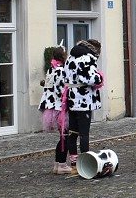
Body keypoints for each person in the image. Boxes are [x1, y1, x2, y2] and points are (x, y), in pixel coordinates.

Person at [63, 39, 103, 172]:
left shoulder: (71, 57)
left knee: (72, 132)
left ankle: (74, 163)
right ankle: (85, 163)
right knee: (84, 134)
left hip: (71, 98)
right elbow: (90, 79)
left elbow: (65, 75)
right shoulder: (88, 58)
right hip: (84, 99)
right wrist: (100, 77)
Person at [40, 45, 70, 174]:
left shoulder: (51, 69)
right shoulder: (61, 70)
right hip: (59, 106)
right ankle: (61, 163)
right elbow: (61, 90)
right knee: (66, 137)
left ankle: (58, 164)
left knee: (63, 136)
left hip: (52, 106)